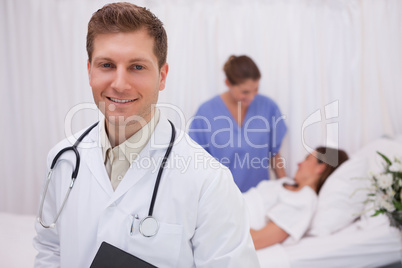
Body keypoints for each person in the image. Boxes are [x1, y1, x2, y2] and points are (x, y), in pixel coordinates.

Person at [33, 3, 259, 267]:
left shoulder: (208, 181)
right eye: (106, 64)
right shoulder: (61, 159)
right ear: (89, 71)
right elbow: (49, 250)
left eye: (137, 67)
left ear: (162, 76)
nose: (119, 83)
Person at [188, 55, 287, 192]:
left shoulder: (268, 106)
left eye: (256, 89)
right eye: (245, 92)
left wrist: (286, 186)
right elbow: (197, 163)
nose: (252, 97)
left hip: (260, 197)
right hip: (220, 197)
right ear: (228, 83)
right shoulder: (206, 112)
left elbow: (274, 154)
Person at [243, 147, 349, 250]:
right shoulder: (286, 184)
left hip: (232, 220)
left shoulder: (304, 200)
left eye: (307, 159)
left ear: (320, 168)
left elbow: (256, 240)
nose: (299, 163)